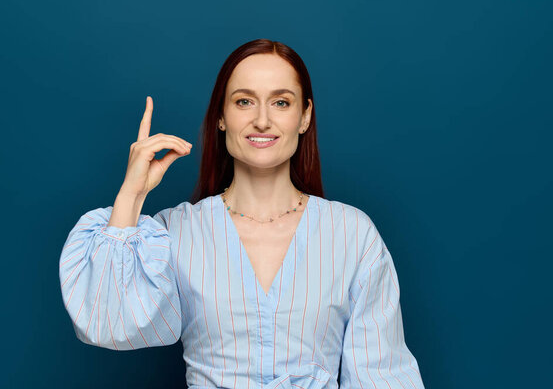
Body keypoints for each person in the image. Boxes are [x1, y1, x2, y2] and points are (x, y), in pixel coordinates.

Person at [58, 38, 426, 389]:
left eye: (281, 102)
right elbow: (106, 324)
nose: (262, 120)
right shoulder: (175, 231)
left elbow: (382, 375)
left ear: (305, 116)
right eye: (244, 102)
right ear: (221, 117)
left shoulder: (352, 234)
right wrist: (131, 196)